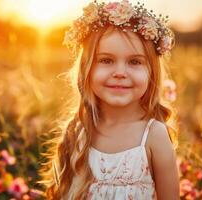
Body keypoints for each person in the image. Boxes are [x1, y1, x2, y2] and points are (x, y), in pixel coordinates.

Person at [39, 0, 180, 199]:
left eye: (134, 62)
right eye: (106, 60)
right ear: (86, 69)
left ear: (152, 73)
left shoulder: (153, 136)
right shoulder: (79, 132)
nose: (120, 72)